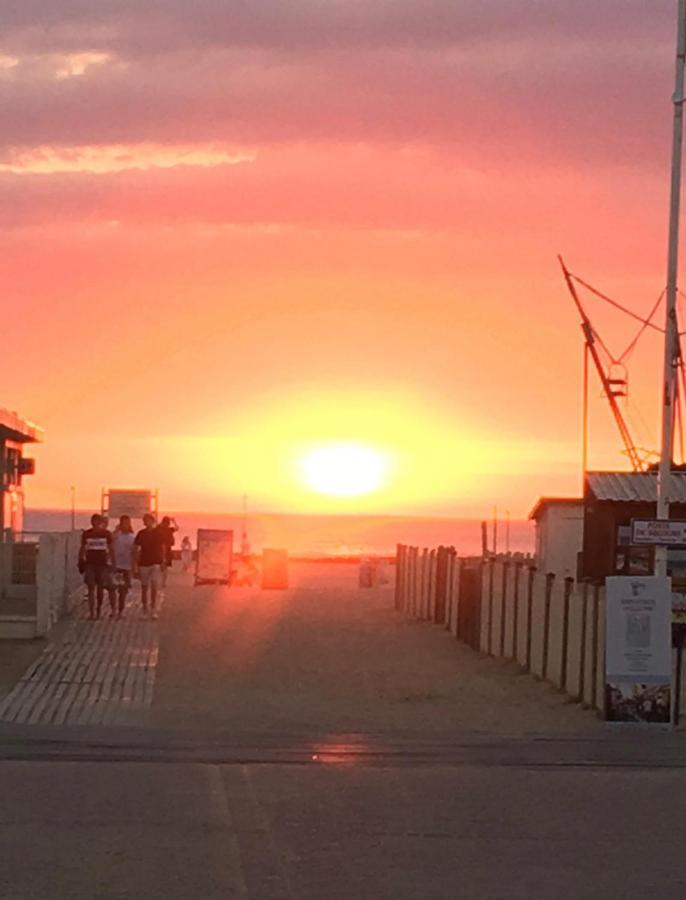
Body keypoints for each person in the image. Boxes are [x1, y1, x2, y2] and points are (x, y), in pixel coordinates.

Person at [79, 513, 113, 620]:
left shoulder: (107, 534)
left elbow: (111, 549)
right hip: (90, 564)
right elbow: (83, 548)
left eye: (98, 521)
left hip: (102, 564)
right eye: (94, 521)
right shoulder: (87, 534)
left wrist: (113, 563)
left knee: (100, 588)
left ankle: (98, 610)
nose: (96, 523)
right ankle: (92, 612)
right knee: (91, 588)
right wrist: (81, 560)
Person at [133, 514, 165, 618]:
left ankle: (153, 609)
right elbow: (136, 548)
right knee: (144, 587)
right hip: (143, 562)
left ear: (152, 521)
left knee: (154, 586)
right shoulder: (141, 533)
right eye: (145, 520)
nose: (146, 522)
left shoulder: (158, 533)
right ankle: (145, 609)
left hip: (155, 562)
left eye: (148, 520)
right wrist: (135, 564)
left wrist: (163, 560)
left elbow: (163, 547)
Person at [111, 514, 135, 618]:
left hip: (127, 567)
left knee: (123, 590)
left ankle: (120, 611)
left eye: (127, 523)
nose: (126, 525)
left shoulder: (132, 537)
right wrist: (116, 530)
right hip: (116, 565)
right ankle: (113, 610)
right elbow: (110, 542)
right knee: (113, 588)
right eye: (124, 523)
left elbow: (134, 552)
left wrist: (134, 567)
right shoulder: (117, 536)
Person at [156, 516, 178, 587]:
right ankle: (161, 582)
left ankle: (163, 582)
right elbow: (177, 528)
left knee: (164, 566)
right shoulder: (162, 529)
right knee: (161, 566)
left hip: (165, 548)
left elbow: (177, 528)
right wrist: (173, 521)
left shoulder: (166, 529)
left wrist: (173, 521)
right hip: (160, 548)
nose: (168, 524)